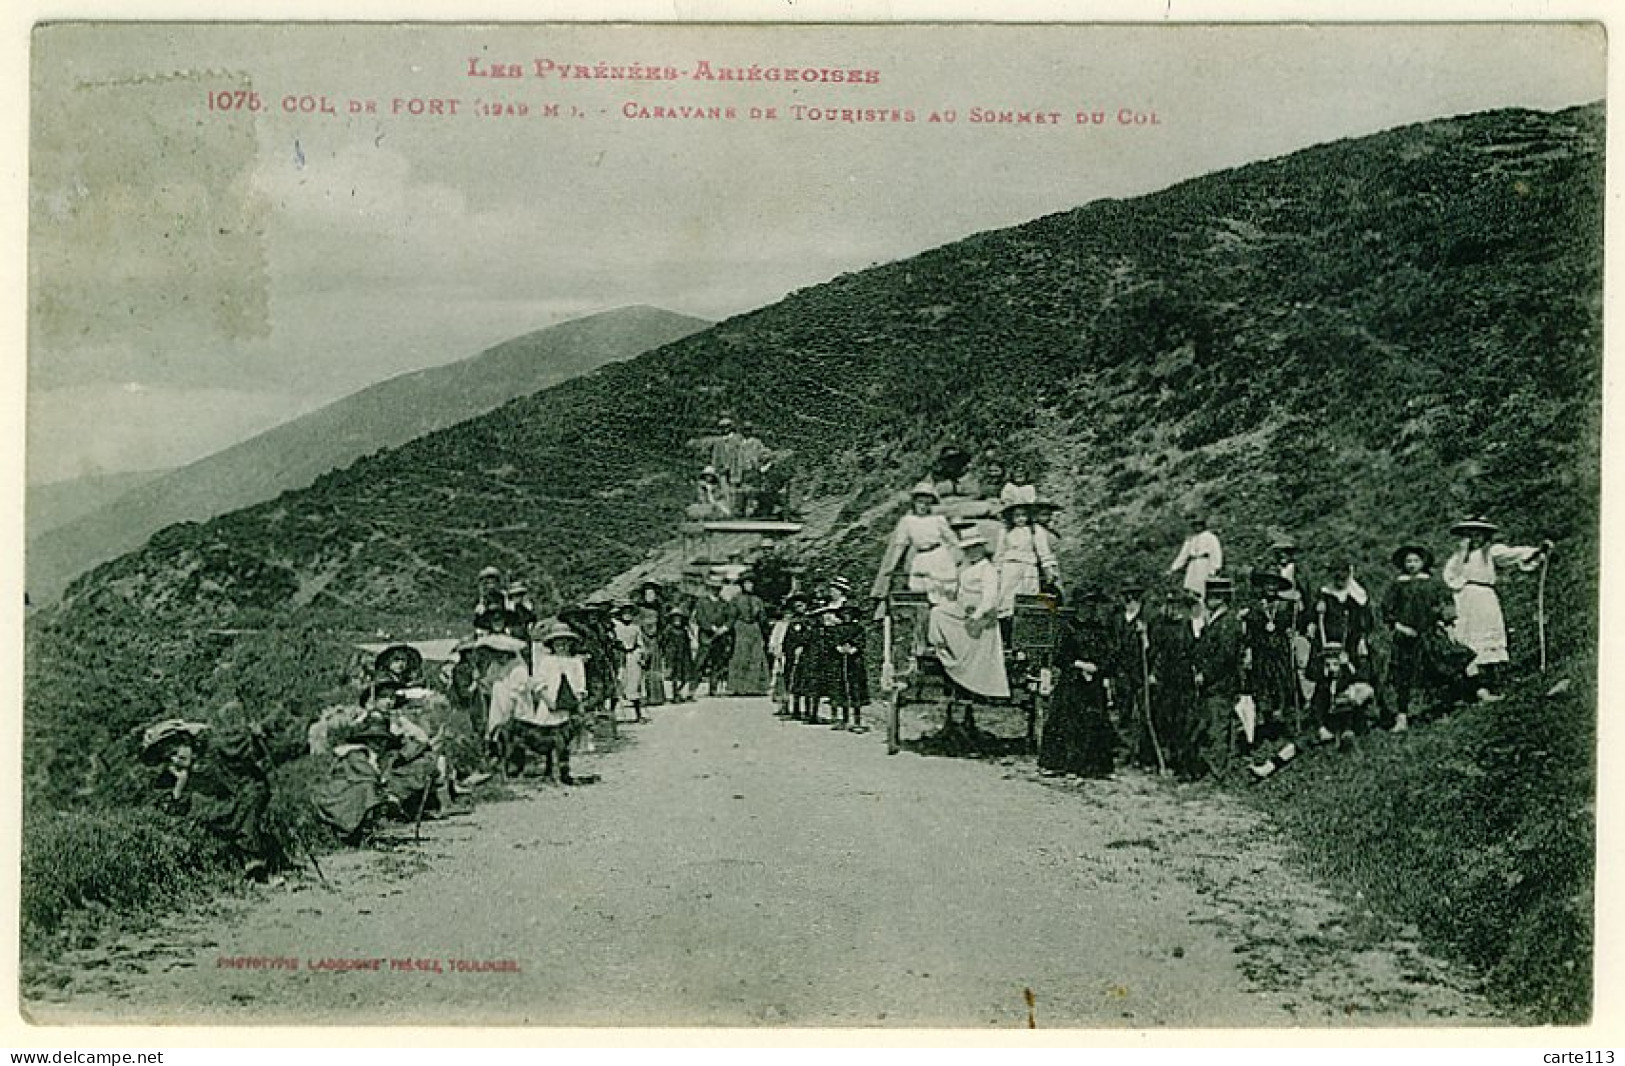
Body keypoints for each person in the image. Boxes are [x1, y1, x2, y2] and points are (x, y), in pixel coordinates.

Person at [142, 713, 304, 880]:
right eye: (169, 758)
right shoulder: (177, 775)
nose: (177, 760)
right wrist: (179, 786)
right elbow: (170, 811)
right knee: (217, 824)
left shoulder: (215, 745)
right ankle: (267, 857)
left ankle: (256, 866)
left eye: (177, 751)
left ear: (187, 741)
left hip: (249, 789)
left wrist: (255, 736)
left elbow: (245, 745)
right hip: (225, 804)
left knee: (243, 820)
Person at [1441, 516, 1553, 702]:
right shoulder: (1459, 556)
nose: (1474, 537)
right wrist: (1461, 555)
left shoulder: (1491, 552)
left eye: (1478, 533)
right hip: (1464, 599)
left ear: (1485, 535)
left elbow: (1512, 555)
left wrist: (1537, 552)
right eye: (1470, 534)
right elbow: (1451, 577)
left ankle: (1487, 686)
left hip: (1484, 599)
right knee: (1466, 641)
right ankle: (1474, 689)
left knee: (1486, 639)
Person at [1037, 590, 1118, 778]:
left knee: (1096, 722)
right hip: (1072, 683)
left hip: (1093, 684)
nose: (1090, 610)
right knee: (1067, 721)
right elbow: (1060, 656)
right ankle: (1060, 765)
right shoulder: (1068, 628)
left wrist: (1098, 668)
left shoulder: (1100, 630)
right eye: (1086, 605)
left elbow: (1110, 655)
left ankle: (1095, 768)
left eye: (1093, 606)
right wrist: (1079, 665)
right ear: (1078, 607)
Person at [1381, 543, 1460, 731]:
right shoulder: (1398, 584)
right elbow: (1386, 608)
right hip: (1405, 636)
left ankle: (1442, 711)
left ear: (1423, 562)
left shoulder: (1431, 582)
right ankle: (1402, 717)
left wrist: (1446, 622)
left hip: (1429, 633)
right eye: (1408, 561)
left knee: (1438, 670)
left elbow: (1444, 603)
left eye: (1415, 560)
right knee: (1403, 675)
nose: (1412, 564)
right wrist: (1398, 626)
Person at [926, 531, 1010, 700]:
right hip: (963, 611)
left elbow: (990, 598)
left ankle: (964, 664)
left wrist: (977, 614)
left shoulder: (988, 570)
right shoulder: (967, 569)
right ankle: (941, 644)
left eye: (975, 548)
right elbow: (959, 594)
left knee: (941, 614)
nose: (972, 553)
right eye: (968, 550)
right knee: (938, 611)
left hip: (981, 617)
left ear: (982, 549)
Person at [1308, 561, 1376, 743]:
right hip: (1327, 645)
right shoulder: (1324, 594)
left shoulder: (1357, 596)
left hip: (1350, 645)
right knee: (1324, 683)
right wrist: (1312, 622)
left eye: (1343, 576)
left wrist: (1362, 638)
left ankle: (1348, 725)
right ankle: (1322, 725)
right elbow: (1314, 618)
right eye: (1336, 577)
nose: (1340, 581)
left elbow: (1366, 620)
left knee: (1348, 683)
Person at [1146, 589, 1203, 778]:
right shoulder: (1161, 626)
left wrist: (1198, 671)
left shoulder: (1189, 626)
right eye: (1171, 605)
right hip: (1166, 679)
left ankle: (1184, 764)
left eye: (1178, 605)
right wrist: (1153, 673)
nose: (1174, 609)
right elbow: (1156, 653)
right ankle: (1166, 760)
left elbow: (1196, 652)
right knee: (1165, 718)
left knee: (1185, 722)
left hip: (1185, 679)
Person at [874, 482, 963, 604]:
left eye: (927, 503)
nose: (923, 506)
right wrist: (892, 566)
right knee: (919, 590)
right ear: (914, 503)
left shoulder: (937, 520)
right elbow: (900, 545)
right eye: (920, 502)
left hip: (939, 556)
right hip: (921, 558)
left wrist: (958, 557)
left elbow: (952, 540)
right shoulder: (907, 521)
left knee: (942, 591)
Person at [1241, 569, 1302, 746]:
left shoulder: (1285, 605)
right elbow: (1250, 632)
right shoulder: (1254, 607)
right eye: (1267, 583)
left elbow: (1293, 625)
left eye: (1274, 584)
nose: (1270, 587)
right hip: (1262, 653)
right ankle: (1267, 724)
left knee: (1282, 684)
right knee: (1263, 686)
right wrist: (1249, 651)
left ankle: (1283, 722)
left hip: (1280, 652)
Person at [1194, 577, 1246, 774]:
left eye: (1213, 597)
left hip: (1222, 683)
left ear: (1222, 599)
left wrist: (1205, 675)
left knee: (1219, 726)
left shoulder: (1228, 623)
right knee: (1213, 724)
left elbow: (1225, 656)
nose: (1208, 600)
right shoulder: (1215, 621)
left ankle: (1219, 771)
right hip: (1214, 682)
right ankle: (1216, 767)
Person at [994, 500, 1062, 643]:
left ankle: (1025, 637)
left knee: (1028, 600)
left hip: (1028, 569)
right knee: (1007, 601)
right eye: (1016, 516)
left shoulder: (1035, 530)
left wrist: (1048, 569)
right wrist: (997, 572)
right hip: (1010, 568)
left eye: (1023, 515)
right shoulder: (1005, 531)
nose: (1020, 519)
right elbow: (999, 553)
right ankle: (1007, 637)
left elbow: (1043, 551)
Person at [829, 602, 870, 731]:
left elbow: (861, 641)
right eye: (844, 614)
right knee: (842, 689)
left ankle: (857, 720)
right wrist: (839, 648)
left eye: (849, 614)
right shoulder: (838, 629)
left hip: (855, 662)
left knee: (855, 689)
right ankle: (844, 719)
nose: (847, 617)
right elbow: (833, 640)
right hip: (840, 661)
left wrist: (854, 648)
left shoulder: (858, 628)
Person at [728, 575, 771, 696]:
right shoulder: (736, 599)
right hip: (741, 627)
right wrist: (728, 628)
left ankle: (756, 687)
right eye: (746, 583)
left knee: (756, 655)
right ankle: (739, 687)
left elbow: (762, 617)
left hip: (755, 628)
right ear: (742, 585)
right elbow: (732, 616)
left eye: (751, 584)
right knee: (741, 655)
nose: (749, 586)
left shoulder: (758, 600)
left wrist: (766, 631)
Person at [693, 580, 735, 697]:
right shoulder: (702, 602)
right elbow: (700, 617)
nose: (716, 590)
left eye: (718, 588)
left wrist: (725, 628)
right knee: (701, 662)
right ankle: (692, 688)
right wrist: (711, 627)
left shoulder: (724, 603)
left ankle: (713, 688)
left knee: (717, 663)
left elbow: (730, 617)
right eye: (713, 588)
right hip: (706, 636)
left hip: (720, 636)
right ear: (709, 588)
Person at [1168, 515, 1224, 601]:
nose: (1197, 527)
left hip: (1204, 565)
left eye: (1200, 525)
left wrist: (1214, 568)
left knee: (1202, 589)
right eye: (1195, 525)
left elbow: (1216, 553)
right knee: (1190, 589)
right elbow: (1183, 555)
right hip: (1193, 566)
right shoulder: (1191, 539)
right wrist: (1174, 568)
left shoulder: (1211, 537)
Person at [612, 603, 648, 723]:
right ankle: (612, 714)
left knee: (634, 684)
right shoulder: (616, 627)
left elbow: (640, 643)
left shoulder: (635, 628)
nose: (627, 615)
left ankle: (638, 714)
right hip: (620, 656)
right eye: (625, 613)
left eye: (629, 613)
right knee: (619, 682)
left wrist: (641, 655)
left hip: (633, 657)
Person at [635, 582, 669, 708]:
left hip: (655, 640)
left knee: (655, 667)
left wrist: (660, 636)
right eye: (648, 594)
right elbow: (637, 624)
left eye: (652, 593)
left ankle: (657, 696)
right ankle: (641, 696)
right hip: (643, 638)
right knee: (642, 668)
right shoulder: (639, 609)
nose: (650, 596)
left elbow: (663, 624)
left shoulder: (659, 609)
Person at [660, 601, 696, 703]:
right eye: (675, 618)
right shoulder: (669, 630)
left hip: (684, 654)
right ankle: (676, 694)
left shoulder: (684, 630)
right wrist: (666, 652)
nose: (677, 620)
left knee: (685, 675)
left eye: (679, 618)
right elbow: (663, 641)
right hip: (672, 654)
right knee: (674, 675)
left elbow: (688, 641)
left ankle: (680, 691)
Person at [473, 567, 510, 631]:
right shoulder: (482, 597)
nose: (491, 586)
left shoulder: (503, 596)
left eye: (493, 583)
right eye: (488, 583)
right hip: (486, 624)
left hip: (502, 623)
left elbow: (507, 609)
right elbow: (478, 614)